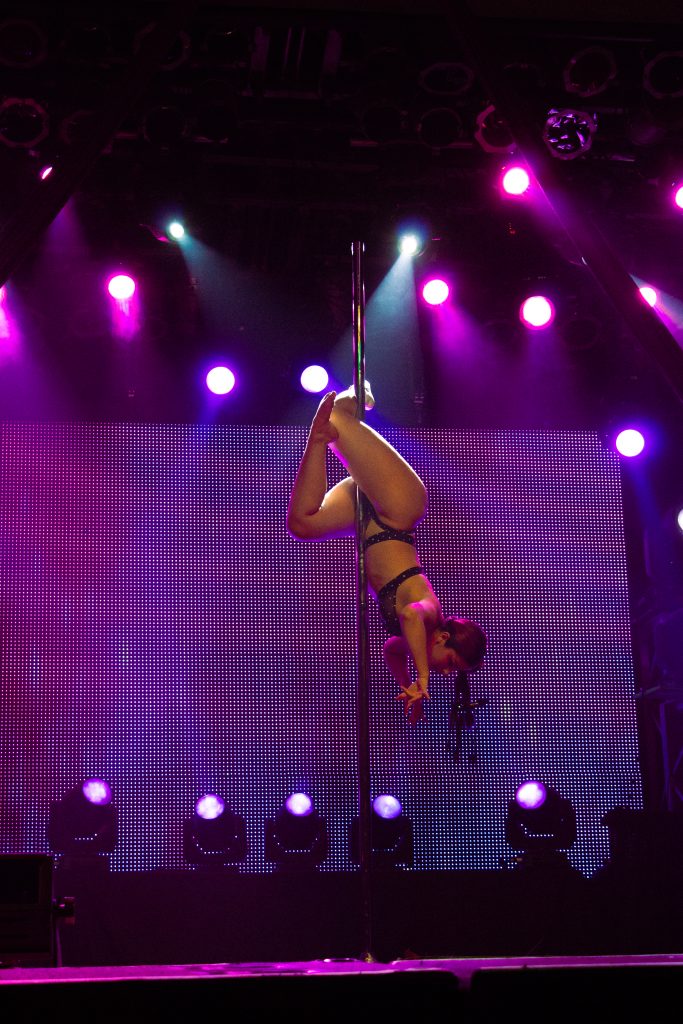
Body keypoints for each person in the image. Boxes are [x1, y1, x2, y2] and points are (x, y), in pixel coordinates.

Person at [287, 385, 486, 723]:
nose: (445, 672)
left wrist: (408, 684)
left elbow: (391, 650)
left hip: (367, 522)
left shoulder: (413, 639)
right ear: (443, 637)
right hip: (400, 508)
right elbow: (409, 614)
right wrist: (423, 678)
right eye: (451, 663)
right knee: (336, 419)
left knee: (302, 525)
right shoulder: (430, 613)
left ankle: (318, 440)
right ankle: (358, 393)